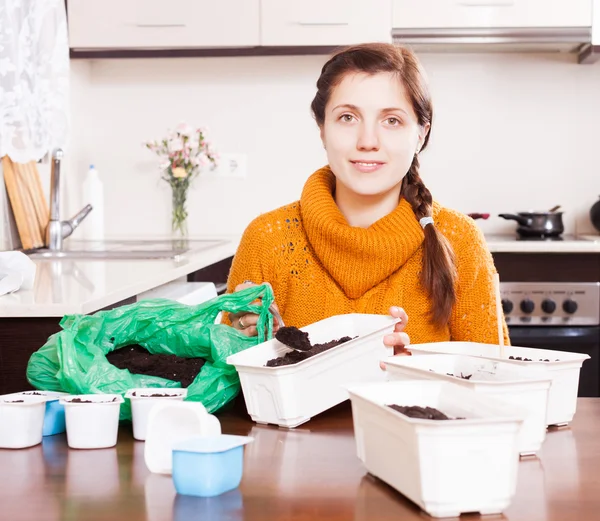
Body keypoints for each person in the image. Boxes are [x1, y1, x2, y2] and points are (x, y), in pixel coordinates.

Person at [225, 42, 509, 353]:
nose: (368, 141)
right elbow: (224, 385)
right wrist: (256, 346)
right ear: (322, 129)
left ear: (421, 134)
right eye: (348, 117)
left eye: (392, 121)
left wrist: (416, 371)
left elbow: (496, 380)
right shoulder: (266, 240)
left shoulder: (460, 240)